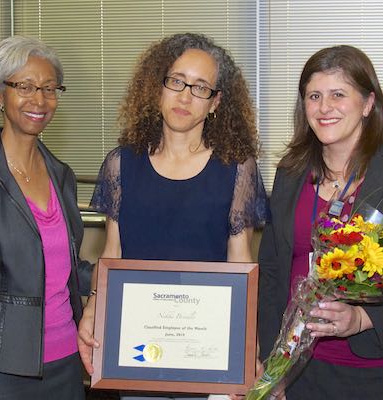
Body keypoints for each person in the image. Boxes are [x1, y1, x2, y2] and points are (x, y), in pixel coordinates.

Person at [78, 32, 267, 395]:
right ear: (158, 88)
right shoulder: (121, 164)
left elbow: (239, 262)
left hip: (209, 349)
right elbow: (112, 253)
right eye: (177, 81)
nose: (185, 96)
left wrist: (247, 348)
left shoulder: (237, 167)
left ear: (215, 103)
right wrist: (94, 307)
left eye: (200, 88)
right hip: (138, 348)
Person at [258, 45, 383, 400]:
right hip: (295, 370)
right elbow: (271, 269)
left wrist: (363, 320)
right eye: (314, 96)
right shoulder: (290, 173)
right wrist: (270, 360)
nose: (324, 107)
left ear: (368, 103)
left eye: (338, 94)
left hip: (370, 372)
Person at [0, 36, 86, 399]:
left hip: (67, 360)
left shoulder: (61, 175)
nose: (39, 100)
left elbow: (68, 266)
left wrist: (122, 280)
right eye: (25, 86)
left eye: (48, 88)